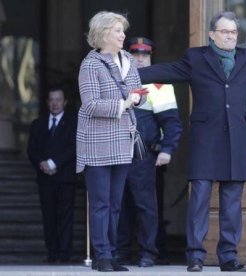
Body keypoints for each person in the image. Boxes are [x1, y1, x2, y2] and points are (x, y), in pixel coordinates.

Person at [138, 11, 246, 272]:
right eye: (225, 32)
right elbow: (166, 71)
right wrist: (126, 72)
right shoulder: (196, 57)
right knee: (200, 198)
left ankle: (228, 257)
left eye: (234, 32)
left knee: (232, 201)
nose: (230, 36)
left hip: (236, 139)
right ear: (212, 34)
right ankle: (196, 257)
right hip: (205, 140)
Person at [77, 11, 146, 272]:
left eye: (123, 30)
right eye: (118, 30)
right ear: (104, 33)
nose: (123, 35)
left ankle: (112, 253)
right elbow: (91, 104)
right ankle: (101, 255)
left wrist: (139, 98)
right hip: (97, 141)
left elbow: (138, 93)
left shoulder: (128, 59)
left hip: (123, 139)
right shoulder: (90, 64)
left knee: (116, 203)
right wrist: (125, 102)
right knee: (100, 203)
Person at [116, 37, 182, 267]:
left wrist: (167, 150)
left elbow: (172, 123)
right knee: (119, 205)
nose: (141, 59)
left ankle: (147, 253)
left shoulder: (159, 86)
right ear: (128, 56)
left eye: (145, 54)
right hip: (116, 153)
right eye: (136, 54)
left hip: (143, 156)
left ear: (151, 57)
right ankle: (120, 252)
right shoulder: (117, 82)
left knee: (146, 206)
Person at [27, 88, 77, 264]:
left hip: (65, 178)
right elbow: (32, 150)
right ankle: (52, 253)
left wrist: (54, 163)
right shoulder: (38, 123)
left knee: (65, 217)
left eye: (58, 100)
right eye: (52, 100)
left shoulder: (73, 123)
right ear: (48, 102)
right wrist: (42, 164)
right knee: (49, 217)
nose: (55, 103)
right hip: (45, 178)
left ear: (64, 102)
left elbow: (73, 148)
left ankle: (64, 254)